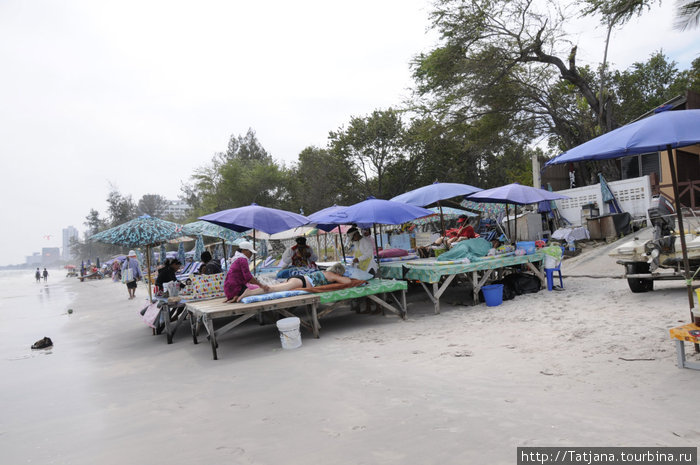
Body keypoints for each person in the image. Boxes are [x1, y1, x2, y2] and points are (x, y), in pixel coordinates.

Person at [236, 263, 350, 302]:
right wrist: (339, 277)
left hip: (299, 279)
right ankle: (249, 293)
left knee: (273, 286)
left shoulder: (326, 272)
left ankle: (251, 290)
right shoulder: (332, 275)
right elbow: (348, 281)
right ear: (338, 272)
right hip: (301, 282)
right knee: (273, 289)